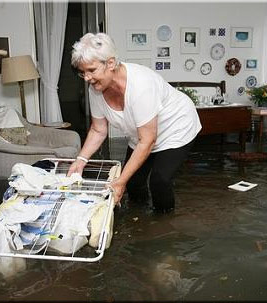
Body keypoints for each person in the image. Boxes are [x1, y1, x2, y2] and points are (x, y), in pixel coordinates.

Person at [68, 33, 201, 214]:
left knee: (159, 180)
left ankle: (164, 222)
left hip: (175, 127)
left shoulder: (141, 85)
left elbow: (147, 141)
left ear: (110, 63)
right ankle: (140, 217)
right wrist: (81, 160)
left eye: (91, 70)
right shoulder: (96, 89)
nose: (86, 78)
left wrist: (119, 182)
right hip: (142, 134)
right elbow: (98, 130)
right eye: (83, 72)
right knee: (133, 182)